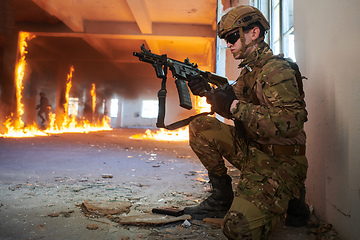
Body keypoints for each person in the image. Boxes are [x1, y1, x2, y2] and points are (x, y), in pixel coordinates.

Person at [184, 5, 310, 239]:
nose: (229, 44)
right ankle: (221, 198)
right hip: (253, 150)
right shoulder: (250, 71)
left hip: (281, 159)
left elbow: (292, 121)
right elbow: (233, 99)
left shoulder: (276, 70)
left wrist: (232, 106)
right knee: (201, 127)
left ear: (254, 33)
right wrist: (207, 92)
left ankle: (292, 192)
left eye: (232, 37)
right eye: (226, 39)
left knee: (237, 229)